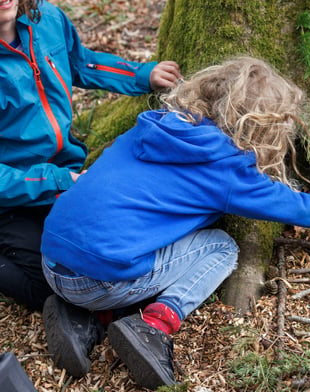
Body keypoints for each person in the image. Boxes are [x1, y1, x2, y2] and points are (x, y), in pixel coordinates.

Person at [40, 56, 310, 389]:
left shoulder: (156, 126)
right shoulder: (228, 169)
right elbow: (301, 208)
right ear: (264, 126)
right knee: (220, 247)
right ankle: (154, 325)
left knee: (124, 242)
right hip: (99, 279)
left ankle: (86, 318)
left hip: (52, 257)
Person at [0, 0, 181, 311]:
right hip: (11, 200)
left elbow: (81, 63)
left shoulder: (46, 18)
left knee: (100, 260)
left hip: (64, 175)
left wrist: (141, 75)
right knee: (50, 285)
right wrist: (57, 179)